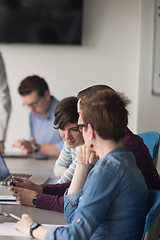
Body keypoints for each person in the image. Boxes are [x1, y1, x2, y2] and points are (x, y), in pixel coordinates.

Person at [15, 89, 148, 239]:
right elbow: (71, 214)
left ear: (89, 131)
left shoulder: (107, 172)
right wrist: (81, 166)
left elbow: (74, 235)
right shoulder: (123, 161)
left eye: (78, 127)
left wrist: (33, 228)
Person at [12, 75, 63, 157]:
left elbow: (70, 150)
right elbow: (34, 144)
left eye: (34, 103)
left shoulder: (65, 113)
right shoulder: (33, 115)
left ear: (46, 95)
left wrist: (35, 147)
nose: (31, 109)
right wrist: (26, 147)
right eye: (28, 105)